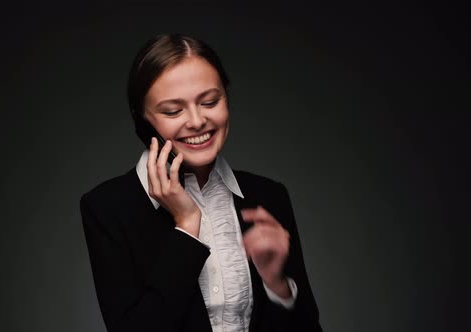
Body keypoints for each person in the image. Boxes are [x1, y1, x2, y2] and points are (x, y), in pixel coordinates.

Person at [80, 34, 323, 332]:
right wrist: (186, 225)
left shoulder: (268, 196)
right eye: (173, 110)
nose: (197, 121)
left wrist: (277, 285)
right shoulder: (108, 207)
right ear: (142, 119)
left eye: (210, 101)